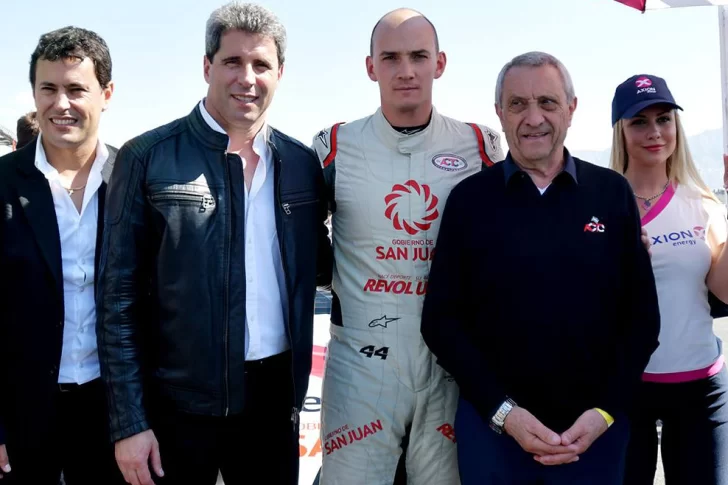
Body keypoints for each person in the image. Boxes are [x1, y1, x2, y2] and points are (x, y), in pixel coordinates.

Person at [96, 2, 332, 485]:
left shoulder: (301, 164)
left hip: (274, 405)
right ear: (207, 67)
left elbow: (324, 266)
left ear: (280, 73)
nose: (247, 78)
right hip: (177, 406)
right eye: (232, 62)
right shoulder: (147, 157)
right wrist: (130, 422)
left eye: (261, 64)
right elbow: (117, 300)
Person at [421, 51, 661, 485]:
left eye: (547, 102)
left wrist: (604, 411)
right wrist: (504, 414)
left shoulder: (611, 193)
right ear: (499, 112)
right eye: (518, 104)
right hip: (494, 437)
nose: (533, 118)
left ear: (571, 108)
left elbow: (642, 320)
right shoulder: (469, 201)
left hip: (595, 437)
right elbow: (440, 321)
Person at [311, 8, 504, 484]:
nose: (406, 70)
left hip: (450, 367)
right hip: (362, 365)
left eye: (418, 56)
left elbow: (519, 234)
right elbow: (297, 242)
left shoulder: (481, 145)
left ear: (440, 63)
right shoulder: (333, 146)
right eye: (391, 58)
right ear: (370, 67)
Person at [0, 26, 124, 485]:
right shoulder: (3, 181)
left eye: (76, 89)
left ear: (106, 94)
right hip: (23, 414)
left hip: (115, 414)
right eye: (48, 89)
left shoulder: (134, 180)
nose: (60, 104)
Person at [609, 74, 728, 485]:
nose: (655, 132)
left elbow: (723, 291)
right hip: (625, 389)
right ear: (620, 131)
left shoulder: (702, 203)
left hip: (700, 389)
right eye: (639, 122)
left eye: (664, 119)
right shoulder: (601, 204)